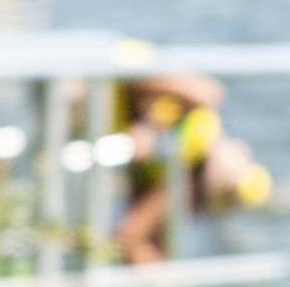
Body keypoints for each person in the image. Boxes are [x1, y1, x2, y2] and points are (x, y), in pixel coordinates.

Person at [110, 72, 268, 264]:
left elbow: (211, 93)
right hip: (162, 172)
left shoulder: (160, 85)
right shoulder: (124, 97)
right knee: (151, 239)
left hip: (190, 172)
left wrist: (152, 138)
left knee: (129, 235)